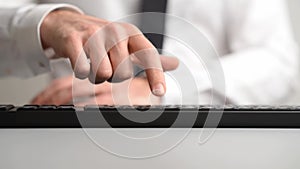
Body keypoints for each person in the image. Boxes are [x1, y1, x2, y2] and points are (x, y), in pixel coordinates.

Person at [0, 0, 298, 105]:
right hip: (68, 139)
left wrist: (163, 91)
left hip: (207, 146)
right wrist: (46, 22)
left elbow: (279, 63)